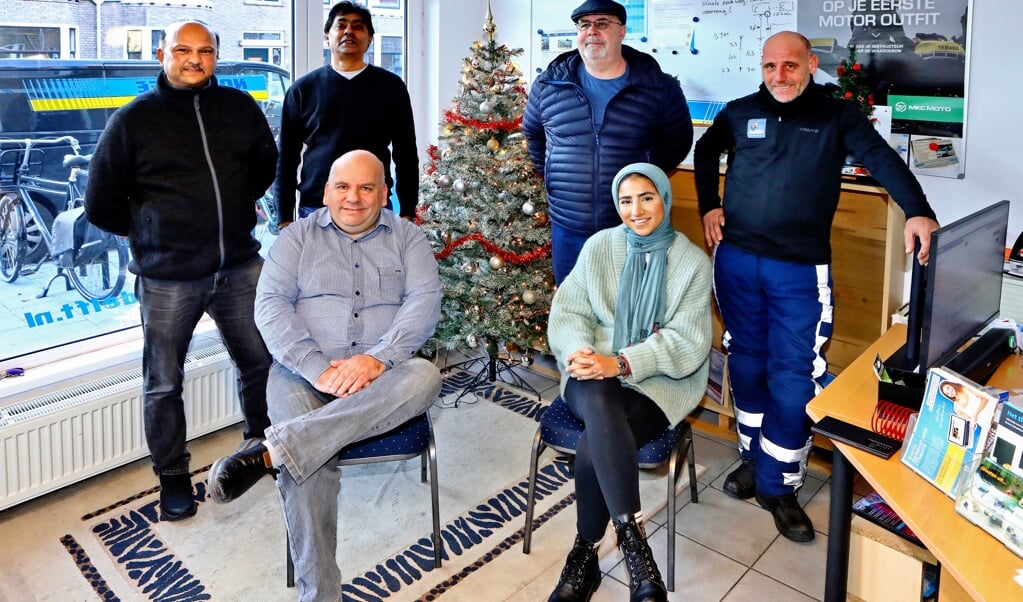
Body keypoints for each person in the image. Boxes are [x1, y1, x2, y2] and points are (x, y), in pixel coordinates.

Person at [693, 31, 939, 542]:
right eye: (769, 67)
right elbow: (706, 149)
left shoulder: (838, 114)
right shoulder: (739, 112)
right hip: (736, 262)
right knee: (746, 363)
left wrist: (918, 210)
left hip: (799, 273)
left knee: (794, 375)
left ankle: (780, 484)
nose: (779, 76)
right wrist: (707, 205)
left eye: (789, 65)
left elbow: (884, 158)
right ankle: (754, 458)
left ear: (810, 63)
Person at [205, 150, 443, 601]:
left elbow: (424, 304)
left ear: (385, 193)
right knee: (308, 466)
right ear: (325, 192)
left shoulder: (409, 239)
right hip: (301, 375)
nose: (353, 197)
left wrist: (378, 359)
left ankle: (272, 451)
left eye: (366, 187)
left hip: (383, 378)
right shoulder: (295, 239)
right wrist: (317, 367)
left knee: (425, 376)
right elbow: (270, 308)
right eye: (342, 186)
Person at [84, 20, 276, 522]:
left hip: (238, 264)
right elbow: (100, 202)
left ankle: (262, 447)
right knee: (164, 381)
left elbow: (264, 166)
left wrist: (233, 204)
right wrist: (149, 227)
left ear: (217, 56)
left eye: (205, 51)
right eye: (183, 50)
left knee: (262, 362)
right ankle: (172, 475)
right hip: (168, 276)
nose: (195, 59)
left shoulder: (239, 107)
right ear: (161, 54)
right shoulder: (133, 121)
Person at [546, 163, 712, 602]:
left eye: (646, 197)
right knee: (600, 398)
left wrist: (620, 361)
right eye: (625, 200)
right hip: (589, 376)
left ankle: (584, 554)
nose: (635, 210)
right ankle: (634, 543)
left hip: (658, 383)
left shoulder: (692, 263)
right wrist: (582, 352)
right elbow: (568, 313)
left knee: (593, 444)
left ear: (664, 198)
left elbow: (689, 344)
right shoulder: (600, 246)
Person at [522, 0, 693, 284]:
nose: (592, 31)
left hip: (633, 226)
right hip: (568, 227)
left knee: (632, 315)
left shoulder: (658, 87)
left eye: (602, 23)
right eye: (584, 25)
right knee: (574, 314)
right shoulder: (549, 86)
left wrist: (645, 175)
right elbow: (534, 136)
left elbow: (678, 141)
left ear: (622, 32)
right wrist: (555, 173)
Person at [274, 1, 419, 225]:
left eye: (358, 26)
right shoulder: (302, 90)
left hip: (374, 207)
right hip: (316, 208)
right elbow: (286, 159)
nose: (349, 31)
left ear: (370, 38)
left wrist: (408, 210)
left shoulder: (391, 87)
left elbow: (406, 154)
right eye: (341, 25)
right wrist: (284, 218)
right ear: (327, 35)